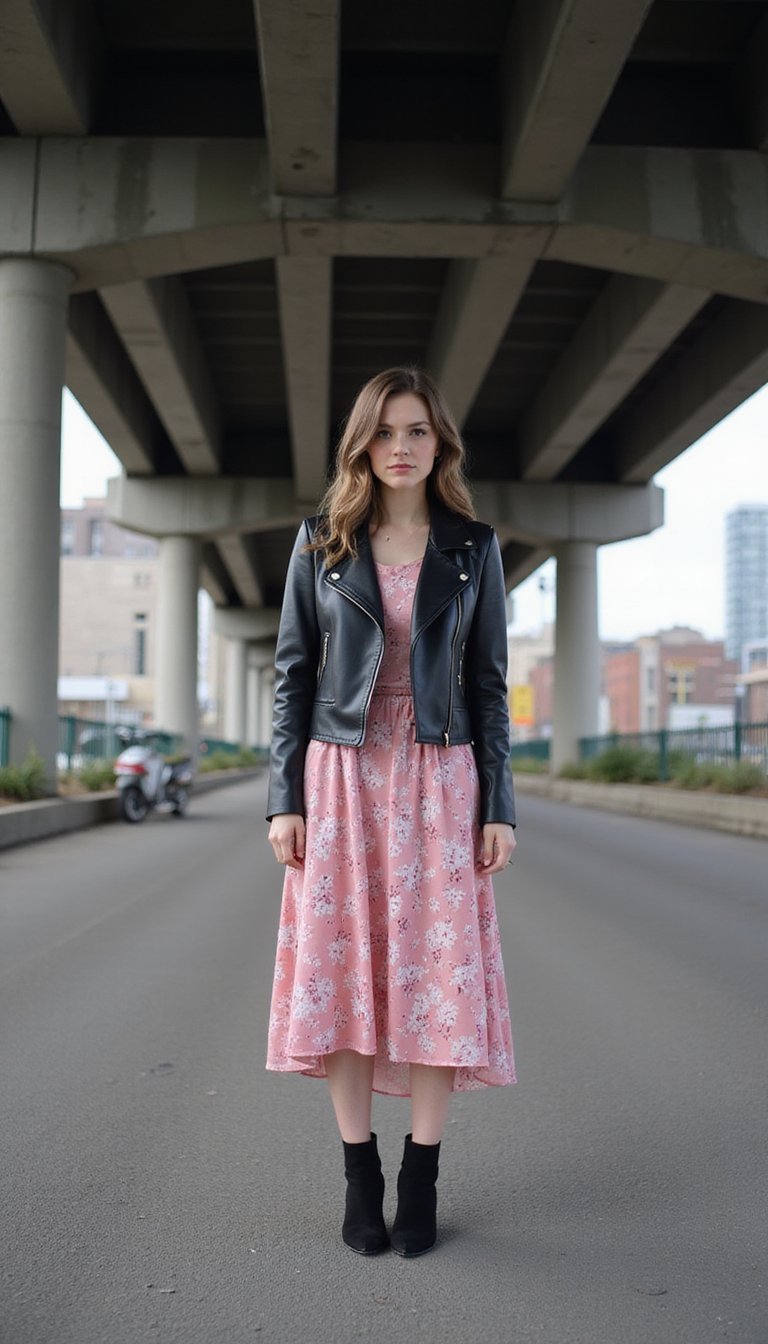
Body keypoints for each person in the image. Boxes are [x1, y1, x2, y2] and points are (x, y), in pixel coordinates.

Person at [265, 366, 517, 1258]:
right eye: (384, 433)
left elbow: (489, 684)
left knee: (437, 975)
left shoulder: (473, 546)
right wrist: (282, 799)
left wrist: (501, 806)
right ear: (361, 446)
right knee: (344, 977)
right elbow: (294, 676)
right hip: (342, 780)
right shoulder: (322, 541)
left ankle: (422, 1177)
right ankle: (359, 1176)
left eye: (416, 432)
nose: (401, 448)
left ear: (439, 444)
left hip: (442, 779)